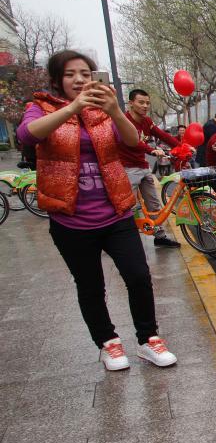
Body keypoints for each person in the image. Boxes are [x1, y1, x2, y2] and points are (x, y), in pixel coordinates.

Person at [17, 50, 177, 371]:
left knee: (138, 275)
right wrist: (72, 108)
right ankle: (108, 343)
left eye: (85, 74)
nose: (79, 80)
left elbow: (131, 141)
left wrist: (115, 110)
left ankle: (148, 339)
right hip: (70, 219)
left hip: (116, 212)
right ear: (57, 79)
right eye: (70, 74)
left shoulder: (103, 110)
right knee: (91, 285)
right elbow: (26, 135)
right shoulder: (40, 107)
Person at [122, 88, 182, 247]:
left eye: (147, 103)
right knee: (130, 207)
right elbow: (134, 142)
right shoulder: (124, 120)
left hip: (143, 166)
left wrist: (182, 146)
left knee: (153, 204)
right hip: (127, 168)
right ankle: (126, 240)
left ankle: (160, 237)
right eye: (141, 102)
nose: (145, 106)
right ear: (131, 103)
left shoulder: (147, 121)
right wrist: (151, 150)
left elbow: (162, 135)